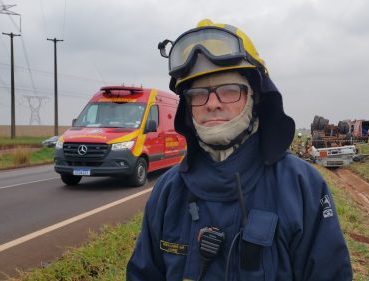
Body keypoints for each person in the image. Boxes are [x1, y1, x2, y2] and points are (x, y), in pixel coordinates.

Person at [126, 19, 352, 281]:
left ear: (255, 99)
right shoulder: (167, 192)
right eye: (198, 94)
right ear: (187, 108)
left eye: (229, 90)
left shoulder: (301, 186)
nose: (212, 104)